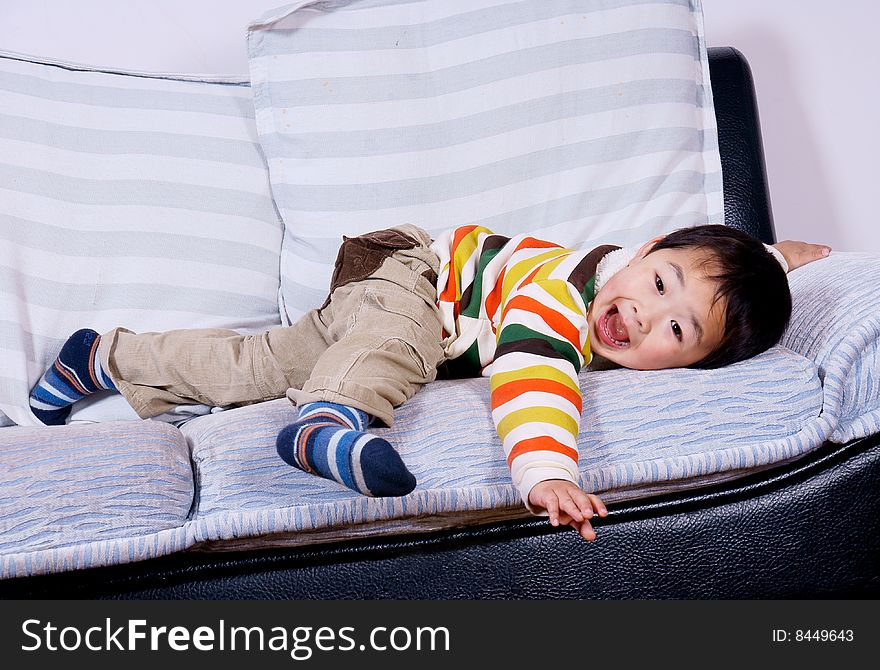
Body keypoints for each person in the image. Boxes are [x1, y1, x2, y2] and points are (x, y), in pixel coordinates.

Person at [28, 224, 831, 541]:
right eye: (656, 285)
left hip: (385, 312)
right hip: (408, 273)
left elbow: (715, 277)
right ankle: (329, 425)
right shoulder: (557, 302)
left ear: (691, 367)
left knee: (256, 367)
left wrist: (779, 259)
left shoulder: (654, 294)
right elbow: (534, 380)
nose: (645, 318)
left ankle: (101, 358)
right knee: (399, 345)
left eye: (678, 332)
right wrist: (548, 471)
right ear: (645, 251)